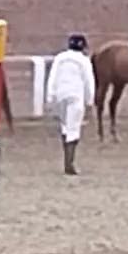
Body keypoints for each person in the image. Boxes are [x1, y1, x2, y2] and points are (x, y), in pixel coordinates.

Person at [45, 34, 96, 175]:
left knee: (65, 127)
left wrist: (50, 96)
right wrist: (90, 101)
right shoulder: (84, 61)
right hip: (76, 95)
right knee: (74, 128)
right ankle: (69, 163)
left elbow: (53, 77)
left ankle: (66, 160)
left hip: (60, 94)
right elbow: (88, 81)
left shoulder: (60, 58)